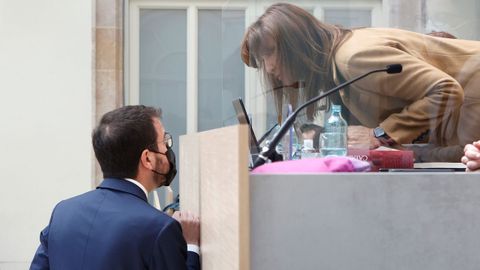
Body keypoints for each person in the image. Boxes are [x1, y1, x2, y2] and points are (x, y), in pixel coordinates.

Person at [240, 2, 480, 162]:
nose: (269, 67)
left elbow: (446, 90)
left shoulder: (352, 58)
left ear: (296, 43)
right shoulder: (338, 70)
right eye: (262, 59)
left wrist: (379, 134)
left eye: (269, 53)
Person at [30, 105, 200, 270]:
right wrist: (191, 246)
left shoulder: (62, 213)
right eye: (165, 142)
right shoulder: (161, 229)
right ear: (147, 159)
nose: (168, 149)